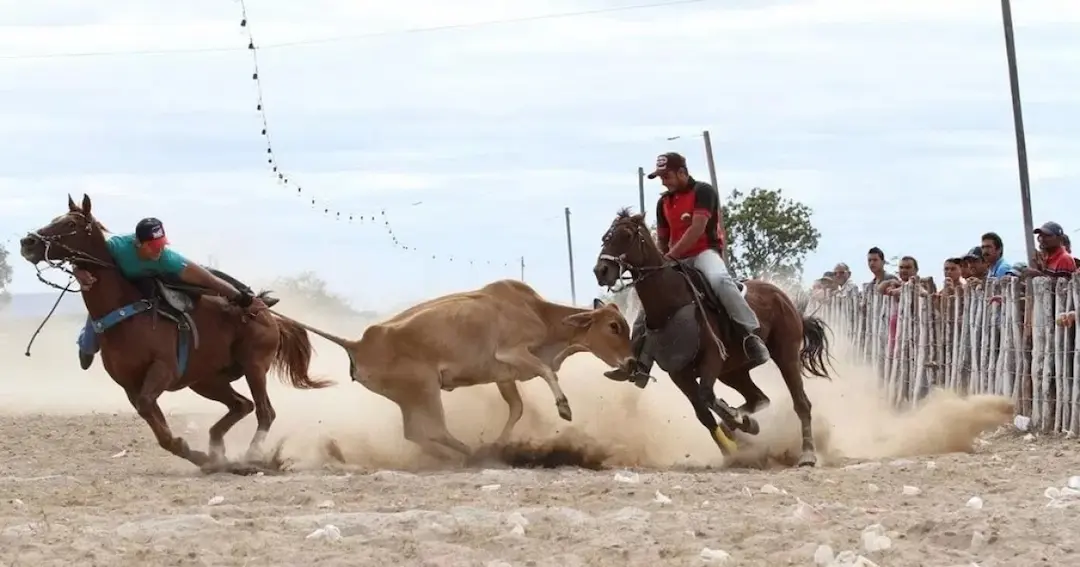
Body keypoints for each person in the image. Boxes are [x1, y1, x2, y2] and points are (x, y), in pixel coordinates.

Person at [603, 152, 770, 387]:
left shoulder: (703, 192)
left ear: (682, 172)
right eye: (660, 177)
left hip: (704, 254)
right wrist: (662, 262)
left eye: (666, 175)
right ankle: (640, 364)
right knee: (650, 306)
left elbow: (697, 228)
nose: (663, 181)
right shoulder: (663, 202)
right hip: (676, 260)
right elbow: (662, 239)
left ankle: (750, 335)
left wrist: (671, 255)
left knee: (721, 282)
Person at [75, 218, 278, 371]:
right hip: (124, 287)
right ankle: (86, 345)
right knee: (99, 317)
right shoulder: (115, 247)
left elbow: (210, 280)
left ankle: (251, 297)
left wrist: (244, 299)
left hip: (159, 279)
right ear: (139, 243)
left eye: (162, 244)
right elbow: (83, 260)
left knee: (209, 276)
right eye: (154, 247)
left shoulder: (168, 258)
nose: (159, 250)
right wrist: (78, 271)